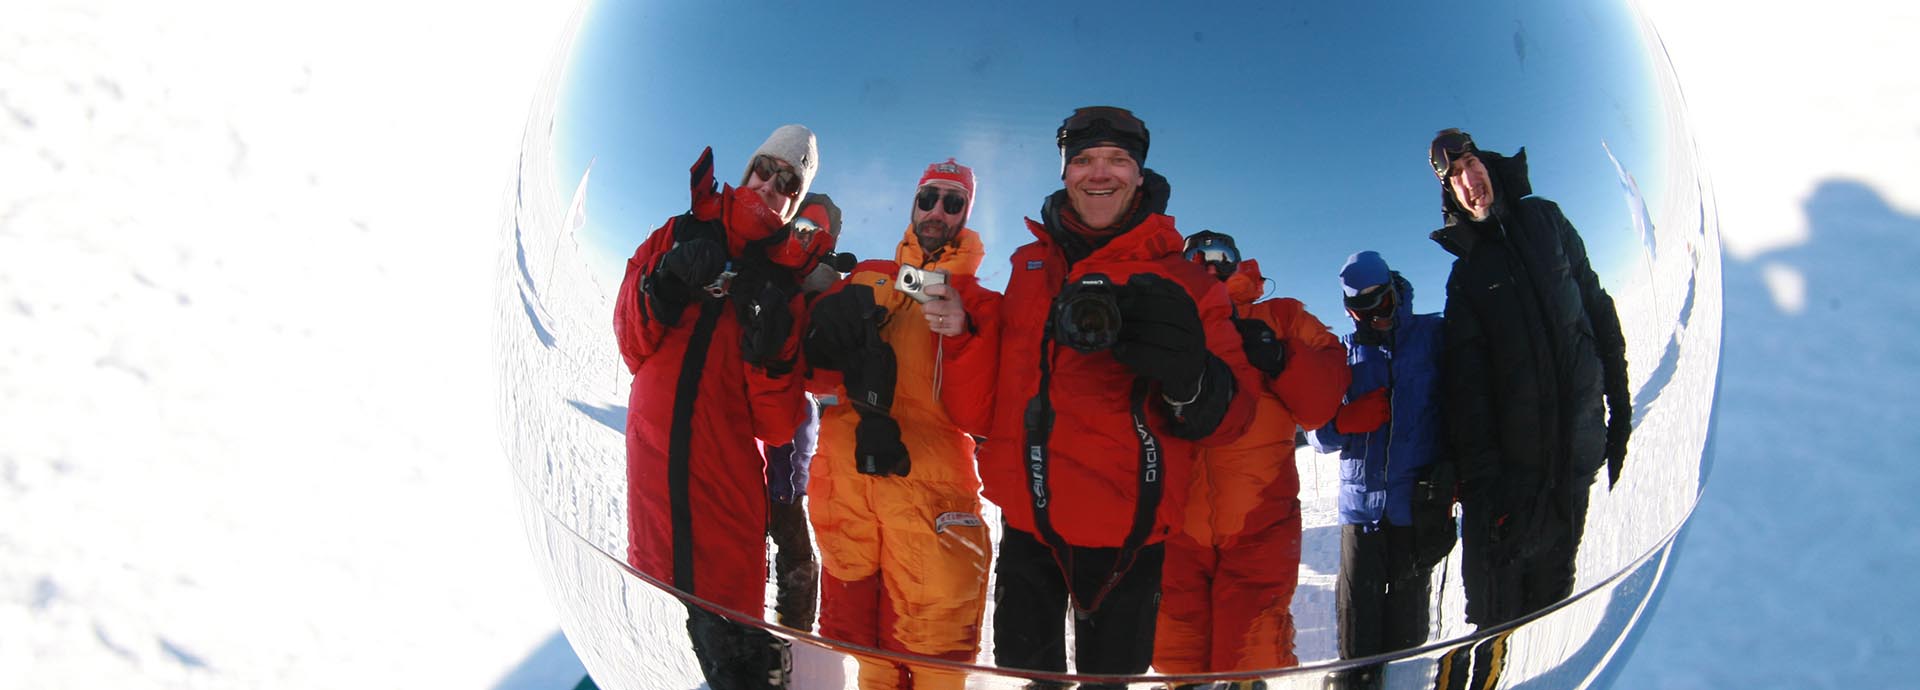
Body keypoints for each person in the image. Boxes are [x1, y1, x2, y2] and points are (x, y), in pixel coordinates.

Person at [927, 106, 1263, 685]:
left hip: (1127, 534)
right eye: (1082, 160)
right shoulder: (1029, 267)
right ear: (1064, 173)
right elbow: (983, 409)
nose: (1098, 173)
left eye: (1117, 160)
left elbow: (1232, 419)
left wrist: (1190, 379)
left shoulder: (1185, 282)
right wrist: (960, 337)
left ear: (1139, 175)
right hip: (1028, 522)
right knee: (1030, 673)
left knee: (1113, 680)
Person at [612, 124, 825, 689]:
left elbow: (778, 424)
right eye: (766, 169)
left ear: (795, 201)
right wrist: (661, 285)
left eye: (789, 183)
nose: (771, 186)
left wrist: (771, 353)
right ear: (748, 166)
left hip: (724, 509)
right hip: (655, 488)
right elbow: (632, 345)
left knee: (739, 666)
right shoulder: (680, 231)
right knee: (654, 650)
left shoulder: (782, 282)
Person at [800, 158, 997, 690]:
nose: (937, 210)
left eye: (952, 202)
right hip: (849, 497)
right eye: (928, 197)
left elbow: (984, 415)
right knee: (869, 660)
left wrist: (964, 334)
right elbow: (811, 371)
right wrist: (808, 323)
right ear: (914, 203)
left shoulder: (981, 303)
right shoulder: (868, 275)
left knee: (937, 665)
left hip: (930, 507)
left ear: (965, 215)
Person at [1425, 128, 1631, 630]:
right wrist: (1486, 485)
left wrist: (1619, 408)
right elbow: (1466, 391)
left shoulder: (1547, 221)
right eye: (1456, 179)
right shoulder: (1467, 275)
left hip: (1575, 464)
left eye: (1471, 165)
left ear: (1487, 164)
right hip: (1514, 488)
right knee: (1496, 625)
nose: (1470, 181)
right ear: (1451, 195)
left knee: (1553, 604)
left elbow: (1597, 309)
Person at [1152, 230, 1348, 683]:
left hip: (1259, 526)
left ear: (1241, 263)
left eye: (1222, 255)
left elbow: (1322, 403)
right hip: (1177, 528)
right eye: (1196, 257)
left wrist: (1279, 357)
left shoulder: (1281, 316)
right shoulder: (1164, 321)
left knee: (1251, 652)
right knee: (1174, 655)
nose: (1210, 264)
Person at [1307, 251, 1453, 690]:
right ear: (1351, 311)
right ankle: (1357, 681)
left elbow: (1466, 399)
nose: (1378, 318)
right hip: (1361, 512)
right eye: (1365, 312)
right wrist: (1342, 423)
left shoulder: (1433, 336)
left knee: (1408, 631)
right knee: (1357, 626)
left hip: (1416, 505)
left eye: (1384, 304)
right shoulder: (1339, 355)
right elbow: (1314, 432)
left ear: (1396, 290)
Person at [764, 193, 845, 635]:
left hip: (793, 426)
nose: (803, 237)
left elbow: (829, 377)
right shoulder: (769, 270)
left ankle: (794, 627)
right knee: (762, 516)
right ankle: (758, 613)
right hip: (757, 421)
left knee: (788, 519)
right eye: (799, 227)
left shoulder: (831, 287)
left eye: (813, 231)